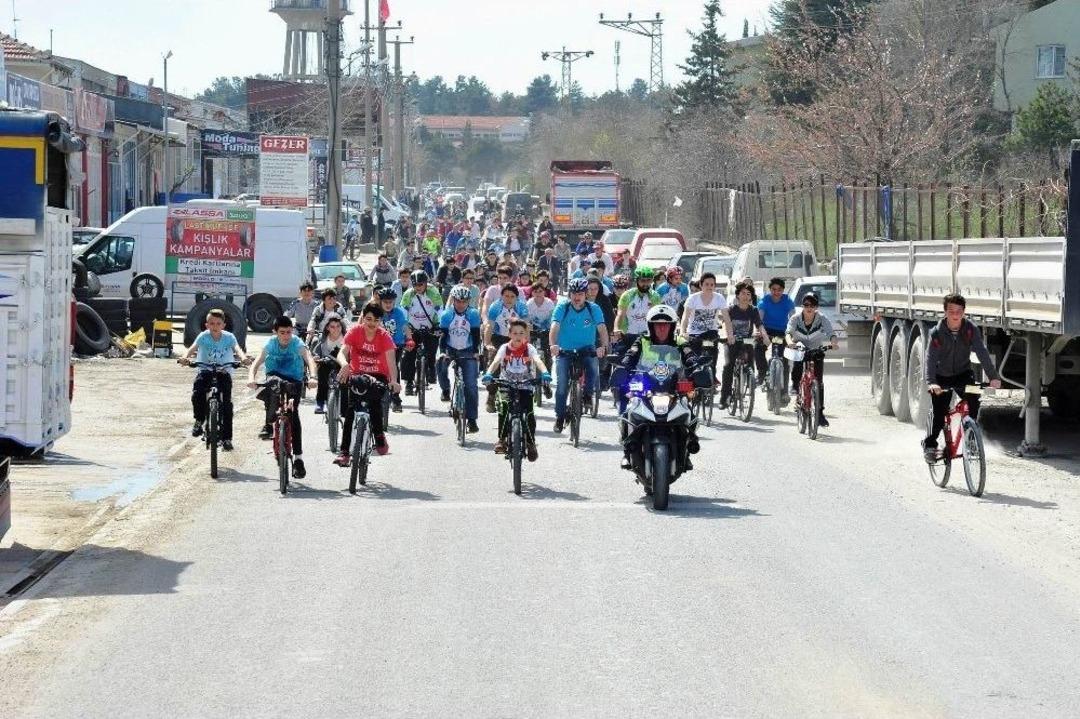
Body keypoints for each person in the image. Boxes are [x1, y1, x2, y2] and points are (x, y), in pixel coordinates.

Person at [613, 305, 704, 470]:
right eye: (657, 324)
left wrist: (696, 366)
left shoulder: (679, 342)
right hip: (647, 386)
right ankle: (627, 451)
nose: (661, 327)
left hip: (673, 387)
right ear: (650, 326)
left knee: (688, 409)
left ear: (672, 326)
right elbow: (631, 355)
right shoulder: (643, 340)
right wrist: (623, 366)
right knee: (629, 408)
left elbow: (690, 355)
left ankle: (688, 447)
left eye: (666, 324)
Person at [921, 294, 1002, 460]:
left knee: (973, 398)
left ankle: (971, 435)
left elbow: (982, 353)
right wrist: (931, 383)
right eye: (951, 311)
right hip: (941, 378)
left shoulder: (970, 329)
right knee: (939, 412)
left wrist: (993, 376)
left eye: (959, 311)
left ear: (964, 312)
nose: (955, 315)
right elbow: (930, 359)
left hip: (963, 376)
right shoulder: (936, 333)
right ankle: (930, 444)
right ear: (945, 312)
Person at [247, 316, 318, 479]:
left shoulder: (297, 343)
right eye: (282, 332)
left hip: (294, 380)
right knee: (271, 386)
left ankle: (298, 459)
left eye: (288, 332)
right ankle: (269, 424)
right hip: (275, 377)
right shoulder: (270, 344)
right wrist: (251, 378)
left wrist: (313, 377)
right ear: (275, 332)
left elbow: (309, 359)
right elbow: (257, 362)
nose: (286, 336)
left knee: (293, 416)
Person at [335, 301, 401, 463]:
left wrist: (394, 381)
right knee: (351, 411)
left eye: (376, 320)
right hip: (358, 375)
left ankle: (379, 435)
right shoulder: (354, 332)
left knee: (374, 404)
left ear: (380, 321)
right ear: (363, 318)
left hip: (378, 376)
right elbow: (342, 353)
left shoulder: (384, 336)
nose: (372, 324)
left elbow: (391, 362)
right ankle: (344, 452)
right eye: (369, 319)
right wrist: (344, 365)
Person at [178, 308, 250, 451]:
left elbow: (238, 349)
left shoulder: (229, 337)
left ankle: (227, 438)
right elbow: (192, 348)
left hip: (223, 371)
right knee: (197, 393)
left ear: (223, 325)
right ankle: (199, 420)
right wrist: (185, 358)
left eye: (218, 323)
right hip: (205, 370)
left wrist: (243, 359)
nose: (215, 326)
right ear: (207, 325)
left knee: (227, 406)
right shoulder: (203, 336)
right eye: (212, 323)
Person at [482, 319, 551, 461]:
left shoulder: (530, 348)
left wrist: (544, 372)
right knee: (504, 407)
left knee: (529, 413)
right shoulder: (504, 348)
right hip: (507, 383)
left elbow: (538, 361)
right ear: (509, 334)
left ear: (526, 334)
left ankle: (531, 443)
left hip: (525, 384)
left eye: (521, 333)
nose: (518, 336)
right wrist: (489, 374)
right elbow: (495, 362)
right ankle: (502, 440)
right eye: (515, 333)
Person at [549, 278, 609, 433]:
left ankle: (588, 395)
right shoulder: (563, 307)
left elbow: (602, 329)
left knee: (593, 369)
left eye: (580, 294)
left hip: (586, 348)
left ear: (586, 294)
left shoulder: (593, 308)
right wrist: (553, 345)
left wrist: (603, 346)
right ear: (570, 294)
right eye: (574, 293)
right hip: (564, 350)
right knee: (562, 384)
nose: (577, 297)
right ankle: (560, 417)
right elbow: (554, 327)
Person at [785, 293, 839, 427]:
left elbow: (831, 333)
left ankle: (820, 414)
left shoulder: (822, 318)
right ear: (803, 306)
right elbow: (788, 333)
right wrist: (790, 342)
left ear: (817, 307)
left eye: (812, 305)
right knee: (797, 368)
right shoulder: (795, 318)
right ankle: (797, 391)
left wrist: (834, 343)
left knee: (819, 383)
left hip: (816, 349)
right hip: (800, 348)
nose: (809, 308)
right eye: (806, 305)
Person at [437, 285, 482, 434]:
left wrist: (476, 352)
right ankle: (445, 389)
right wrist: (443, 352)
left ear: (468, 301)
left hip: (468, 350)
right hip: (451, 348)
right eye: (458, 301)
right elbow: (443, 337)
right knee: (440, 364)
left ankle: (472, 419)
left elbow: (476, 337)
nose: (461, 304)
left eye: (464, 301)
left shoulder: (473, 314)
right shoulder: (446, 315)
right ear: (453, 300)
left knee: (470, 385)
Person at [720, 282, 771, 410]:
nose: (745, 296)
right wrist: (728, 336)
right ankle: (724, 397)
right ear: (737, 295)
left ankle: (749, 383)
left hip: (747, 341)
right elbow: (725, 324)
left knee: (750, 365)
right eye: (743, 293)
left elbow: (759, 325)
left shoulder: (753, 310)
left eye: (748, 294)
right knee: (728, 366)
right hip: (731, 341)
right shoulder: (731, 309)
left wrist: (765, 337)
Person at [679, 272, 732, 384]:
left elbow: (727, 319)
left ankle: (712, 377)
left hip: (710, 333)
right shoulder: (693, 299)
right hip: (694, 334)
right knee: (694, 360)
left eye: (712, 285)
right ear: (701, 285)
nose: (709, 287)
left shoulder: (719, 298)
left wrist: (730, 335)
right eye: (707, 284)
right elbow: (685, 317)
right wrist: (683, 332)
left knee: (712, 358)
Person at [484, 283, 529, 413]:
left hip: (517, 338)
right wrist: (488, 344)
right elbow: (489, 327)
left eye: (512, 296)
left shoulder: (521, 307)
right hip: (498, 337)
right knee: (495, 365)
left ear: (517, 297)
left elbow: (526, 328)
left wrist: (527, 344)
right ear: (501, 296)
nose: (509, 299)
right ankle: (491, 396)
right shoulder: (495, 307)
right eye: (506, 296)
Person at [400, 270, 443, 395]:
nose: (418, 287)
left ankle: (431, 371)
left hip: (430, 326)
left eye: (420, 285)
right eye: (415, 285)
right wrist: (405, 328)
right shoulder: (408, 294)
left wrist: (439, 326)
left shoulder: (433, 292)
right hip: (413, 326)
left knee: (432, 350)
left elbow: (440, 310)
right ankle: (408, 382)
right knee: (408, 353)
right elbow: (403, 313)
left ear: (425, 284)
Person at [614, 267, 662, 358]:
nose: (646, 284)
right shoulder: (627, 295)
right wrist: (616, 328)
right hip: (628, 334)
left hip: (648, 336)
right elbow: (620, 314)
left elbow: (658, 316)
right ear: (636, 281)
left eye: (649, 280)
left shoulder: (655, 296)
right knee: (619, 362)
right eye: (643, 281)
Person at [756, 277, 796, 385]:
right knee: (758, 347)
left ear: (783, 290)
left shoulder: (787, 300)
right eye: (774, 289)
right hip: (767, 331)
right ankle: (762, 372)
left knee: (784, 359)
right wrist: (762, 334)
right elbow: (759, 319)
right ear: (770, 289)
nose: (776, 292)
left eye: (779, 290)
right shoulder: (765, 300)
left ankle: (784, 393)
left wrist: (793, 334)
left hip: (781, 332)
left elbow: (793, 318)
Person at [377, 287, 411, 412]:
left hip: (396, 345)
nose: (388, 304)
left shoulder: (398, 312)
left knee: (394, 367)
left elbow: (405, 326)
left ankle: (396, 398)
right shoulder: (376, 313)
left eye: (390, 302)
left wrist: (409, 339)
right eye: (385, 302)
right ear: (380, 302)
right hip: (379, 346)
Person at [311, 315, 346, 415]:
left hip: (342, 363)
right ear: (327, 327)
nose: (336, 329)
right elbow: (316, 352)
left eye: (338, 326)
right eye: (332, 326)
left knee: (345, 382)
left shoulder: (346, 337)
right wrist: (316, 357)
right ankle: (320, 402)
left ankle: (344, 408)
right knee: (322, 375)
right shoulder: (323, 338)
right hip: (326, 362)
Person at [525, 281, 556, 371]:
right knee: (528, 349)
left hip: (546, 329)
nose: (538, 293)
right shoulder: (529, 303)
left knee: (547, 350)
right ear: (532, 293)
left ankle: (548, 369)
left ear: (544, 292)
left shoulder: (549, 303)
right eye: (535, 291)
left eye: (540, 291)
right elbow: (527, 319)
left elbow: (552, 318)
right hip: (533, 329)